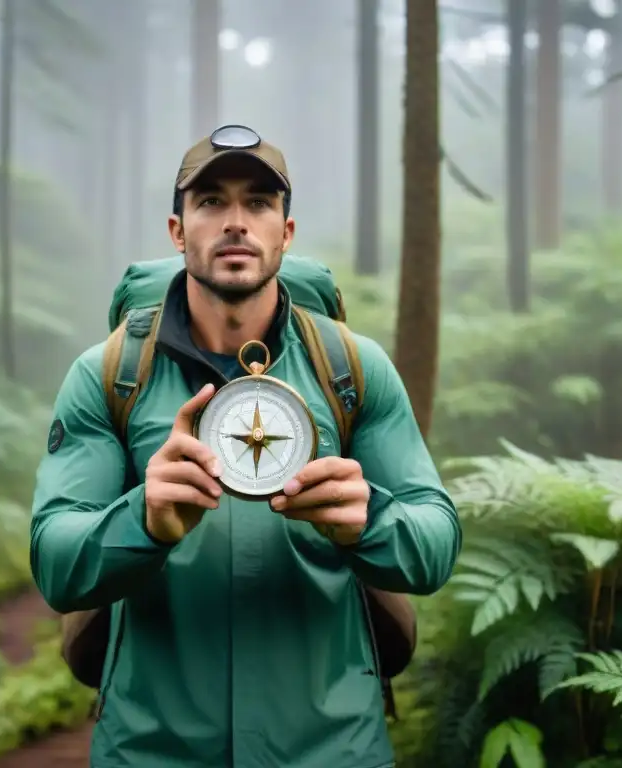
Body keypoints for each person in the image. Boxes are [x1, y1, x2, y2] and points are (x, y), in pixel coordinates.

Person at [30, 124, 462, 768]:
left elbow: (434, 546)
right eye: (211, 202)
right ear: (178, 231)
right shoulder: (111, 374)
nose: (236, 222)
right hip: (154, 750)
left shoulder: (352, 368)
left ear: (285, 232)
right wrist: (142, 521)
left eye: (259, 202)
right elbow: (56, 564)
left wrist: (369, 517)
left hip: (329, 749)